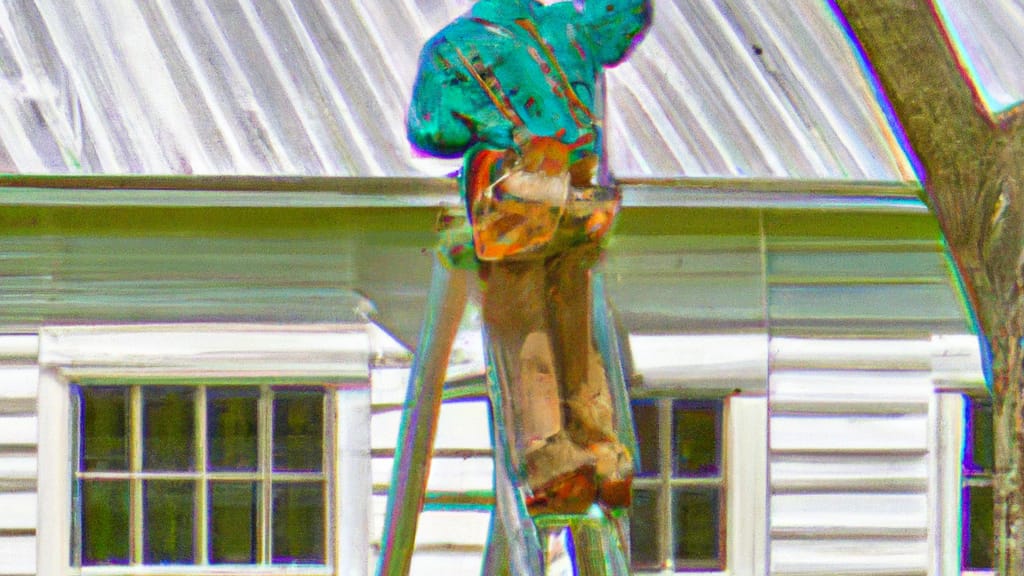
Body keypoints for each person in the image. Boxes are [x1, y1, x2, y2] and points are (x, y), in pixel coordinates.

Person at [408, 0, 651, 515]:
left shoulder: (453, 48)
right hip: (581, 193)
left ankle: (555, 466)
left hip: (518, 194)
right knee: (573, 322)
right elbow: (623, 19)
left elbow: (432, 133)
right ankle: (604, 455)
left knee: (523, 327)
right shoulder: (570, 25)